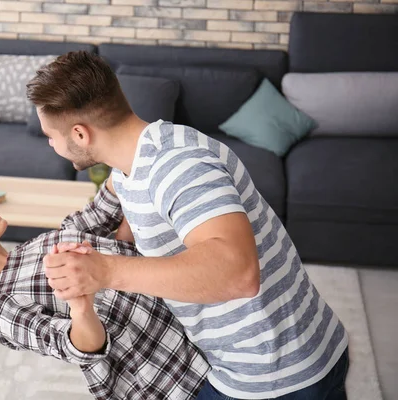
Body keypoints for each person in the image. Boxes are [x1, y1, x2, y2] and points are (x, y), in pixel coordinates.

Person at [26, 51, 349, 400]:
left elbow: (237, 273)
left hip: (278, 374)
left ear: (80, 134)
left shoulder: (176, 164)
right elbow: (116, 233)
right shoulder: (129, 166)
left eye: (51, 135)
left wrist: (105, 270)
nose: (50, 143)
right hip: (245, 362)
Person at [0, 180, 210, 400]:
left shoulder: (35, 246)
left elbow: (104, 213)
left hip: (205, 342)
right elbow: (79, 347)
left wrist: (126, 161)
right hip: (177, 385)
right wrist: (81, 306)